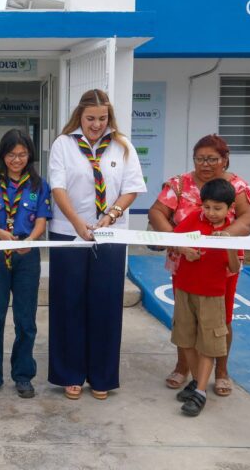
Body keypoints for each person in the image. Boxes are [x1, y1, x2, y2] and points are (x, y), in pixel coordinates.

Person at [47, 89, 146, 400]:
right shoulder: (63, 144)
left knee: (105, 304)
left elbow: (132, 188)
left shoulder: (122, 146)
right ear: (80, 116)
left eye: (102, 119)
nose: (96, 125)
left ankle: (101, 376)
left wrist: (112, 214)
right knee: (68, 304)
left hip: (110, 235)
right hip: (68, 232)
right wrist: (77, 223)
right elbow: (58, 188)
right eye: (90, 118)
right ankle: (70, 374)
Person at [148, 134, 250, 397]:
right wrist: (175, 242)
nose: (205, 164)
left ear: (225, 159)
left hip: (223, 265)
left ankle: (222, 371)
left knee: (222, 319)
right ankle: (183, 367)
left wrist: (226, 237)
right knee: (186, 317)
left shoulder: (237, 186)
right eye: (200, 159)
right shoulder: (178, 184)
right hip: (185, 262)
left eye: (212, 159)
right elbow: (156, 212)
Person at [0, 129, 52, 399]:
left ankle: (23, 375)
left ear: (29, 154)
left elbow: (41, 220)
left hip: (26, 256)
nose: (16, 159)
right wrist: (2, 236)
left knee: (25, 320)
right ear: (2, 155)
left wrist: (29, 239)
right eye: (11, 154)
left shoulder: (39, 185)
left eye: (21, 154)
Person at [171, 179, 241, 417]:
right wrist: (184, 250)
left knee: (209, 343)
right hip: (184, 289)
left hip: (212, 294)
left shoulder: (232, 232)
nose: (211, 213)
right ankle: (195, 380)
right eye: (207, 207)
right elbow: (174, 241)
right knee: (186, 338)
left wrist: (229, 245)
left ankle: (200, 392)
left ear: (230, 208)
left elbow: (235, 267)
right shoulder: (193, 219)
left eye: (217, 208)